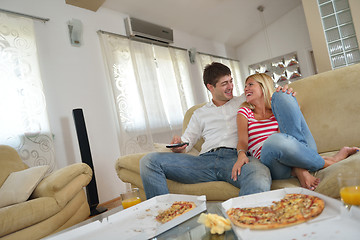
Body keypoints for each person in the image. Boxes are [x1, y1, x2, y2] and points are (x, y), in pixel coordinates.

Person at [140, 62, 275, 199]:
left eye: (231, 81)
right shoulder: (199, 113)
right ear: (210, 87)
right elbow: (187, 141)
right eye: (224, 84)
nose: (230, 87)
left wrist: (285, 93)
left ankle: (246, 218)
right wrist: (179, 144)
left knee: (259, 174)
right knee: (149, 161)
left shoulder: (244, 101)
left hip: (235, 158)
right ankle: (164, 214)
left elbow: (266, 91)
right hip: (204, 162)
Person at [233, 73, 359, 190]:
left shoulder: (276, 109)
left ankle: (300, 168)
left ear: (263, 87)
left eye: (250, 85)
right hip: (273, 162)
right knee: (274, 141)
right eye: (245, 86)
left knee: (281, 96)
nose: (246, 89)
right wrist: (241, 155)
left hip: (295, 148)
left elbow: (291, 132)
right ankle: (328, 162)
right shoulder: (245, 112)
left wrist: (287, 101)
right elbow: (243, 140)